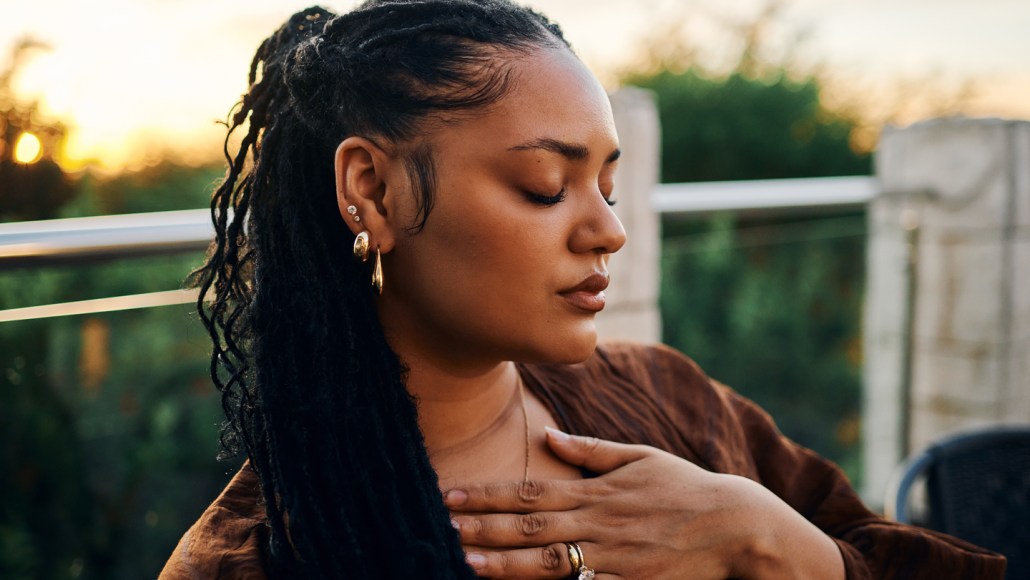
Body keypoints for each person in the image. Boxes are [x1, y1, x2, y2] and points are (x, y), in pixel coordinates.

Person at [161, 1, 1006, 578]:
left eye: (606, 185)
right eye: (542, 185)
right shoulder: (256, 558)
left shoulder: (668, 399)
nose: (608, 230)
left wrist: (767, 539)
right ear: (374, 190)